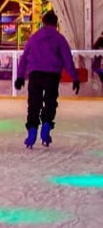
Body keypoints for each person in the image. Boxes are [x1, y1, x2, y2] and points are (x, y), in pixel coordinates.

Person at [16, 11, 79, 148]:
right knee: (50, 101)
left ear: (43, 22)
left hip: (35, 74)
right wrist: (74, 77)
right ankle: (46, 125)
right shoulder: (59, 39)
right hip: (52, 75)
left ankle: (32, 131)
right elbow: (67, 59)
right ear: (56, 23)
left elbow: (24, 57)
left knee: (34, 103)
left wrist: (20, 76)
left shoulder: (34, 38)